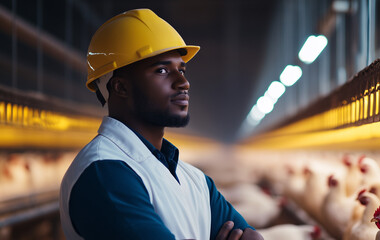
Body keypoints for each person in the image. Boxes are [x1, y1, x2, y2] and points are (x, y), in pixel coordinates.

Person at [59, 8, 264, 240]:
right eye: (162, 70)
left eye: (182, 70)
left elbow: (253, 237)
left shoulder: (195, 180)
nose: (183, 83)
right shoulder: (103, 174)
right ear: (120, 87)